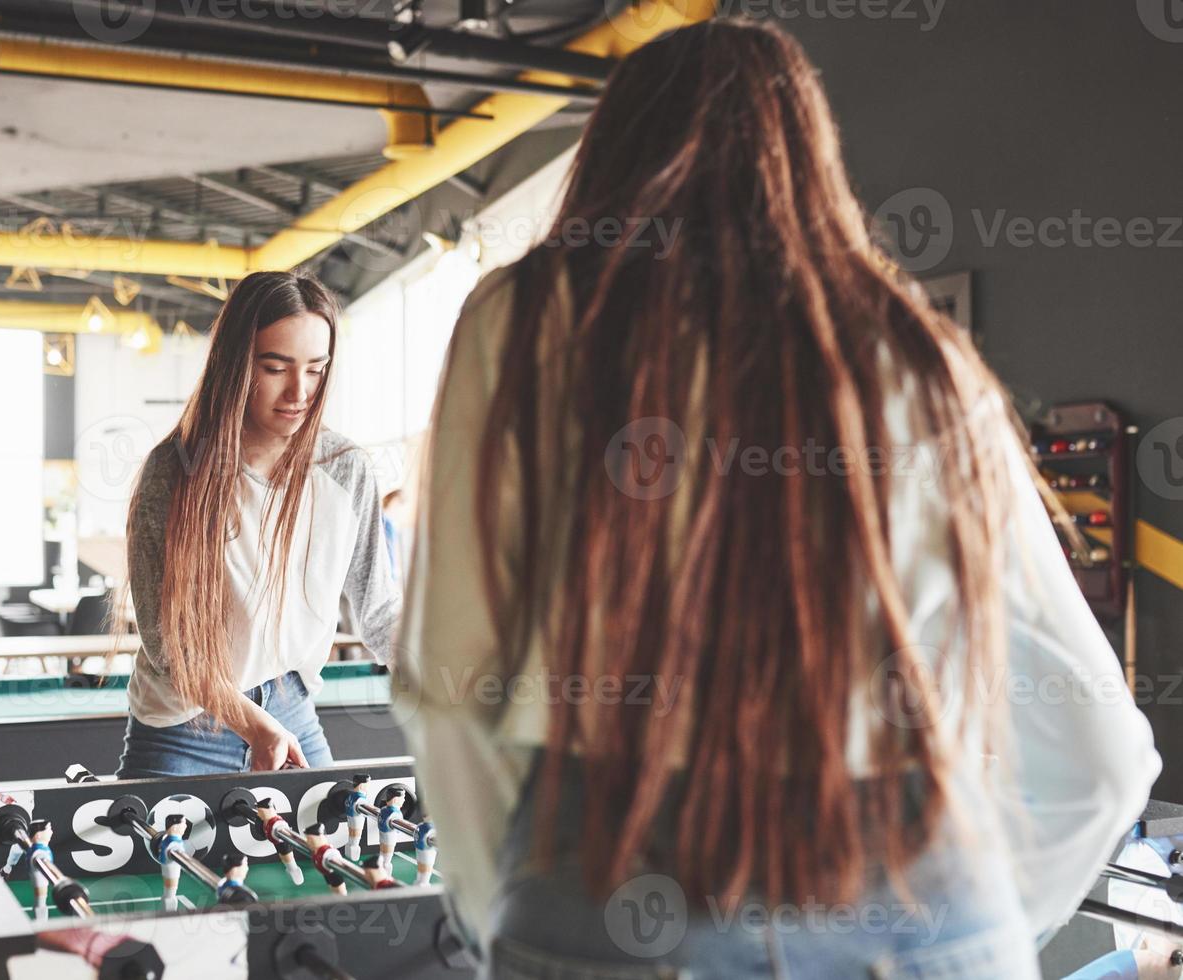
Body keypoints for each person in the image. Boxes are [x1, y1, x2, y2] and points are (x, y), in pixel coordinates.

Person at [397, 17, 1160, 980]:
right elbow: (1102, 760)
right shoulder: (918, 354)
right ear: (807, 154)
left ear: (612, 155)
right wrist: (978, 925)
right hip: (920, 905)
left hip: (609, 899)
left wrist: (499, 904)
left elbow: (451, 680)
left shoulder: (522, 321)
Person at [115, 271, 399, 778]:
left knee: (326, 857)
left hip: (292, 710)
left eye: (317, 369)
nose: (299, 391)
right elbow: (169, 646)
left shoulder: (345, 467)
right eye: (275, 367)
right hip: (186, 727)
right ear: (235, 365)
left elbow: (379, 609)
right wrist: (254, 726)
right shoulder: (175, 470)